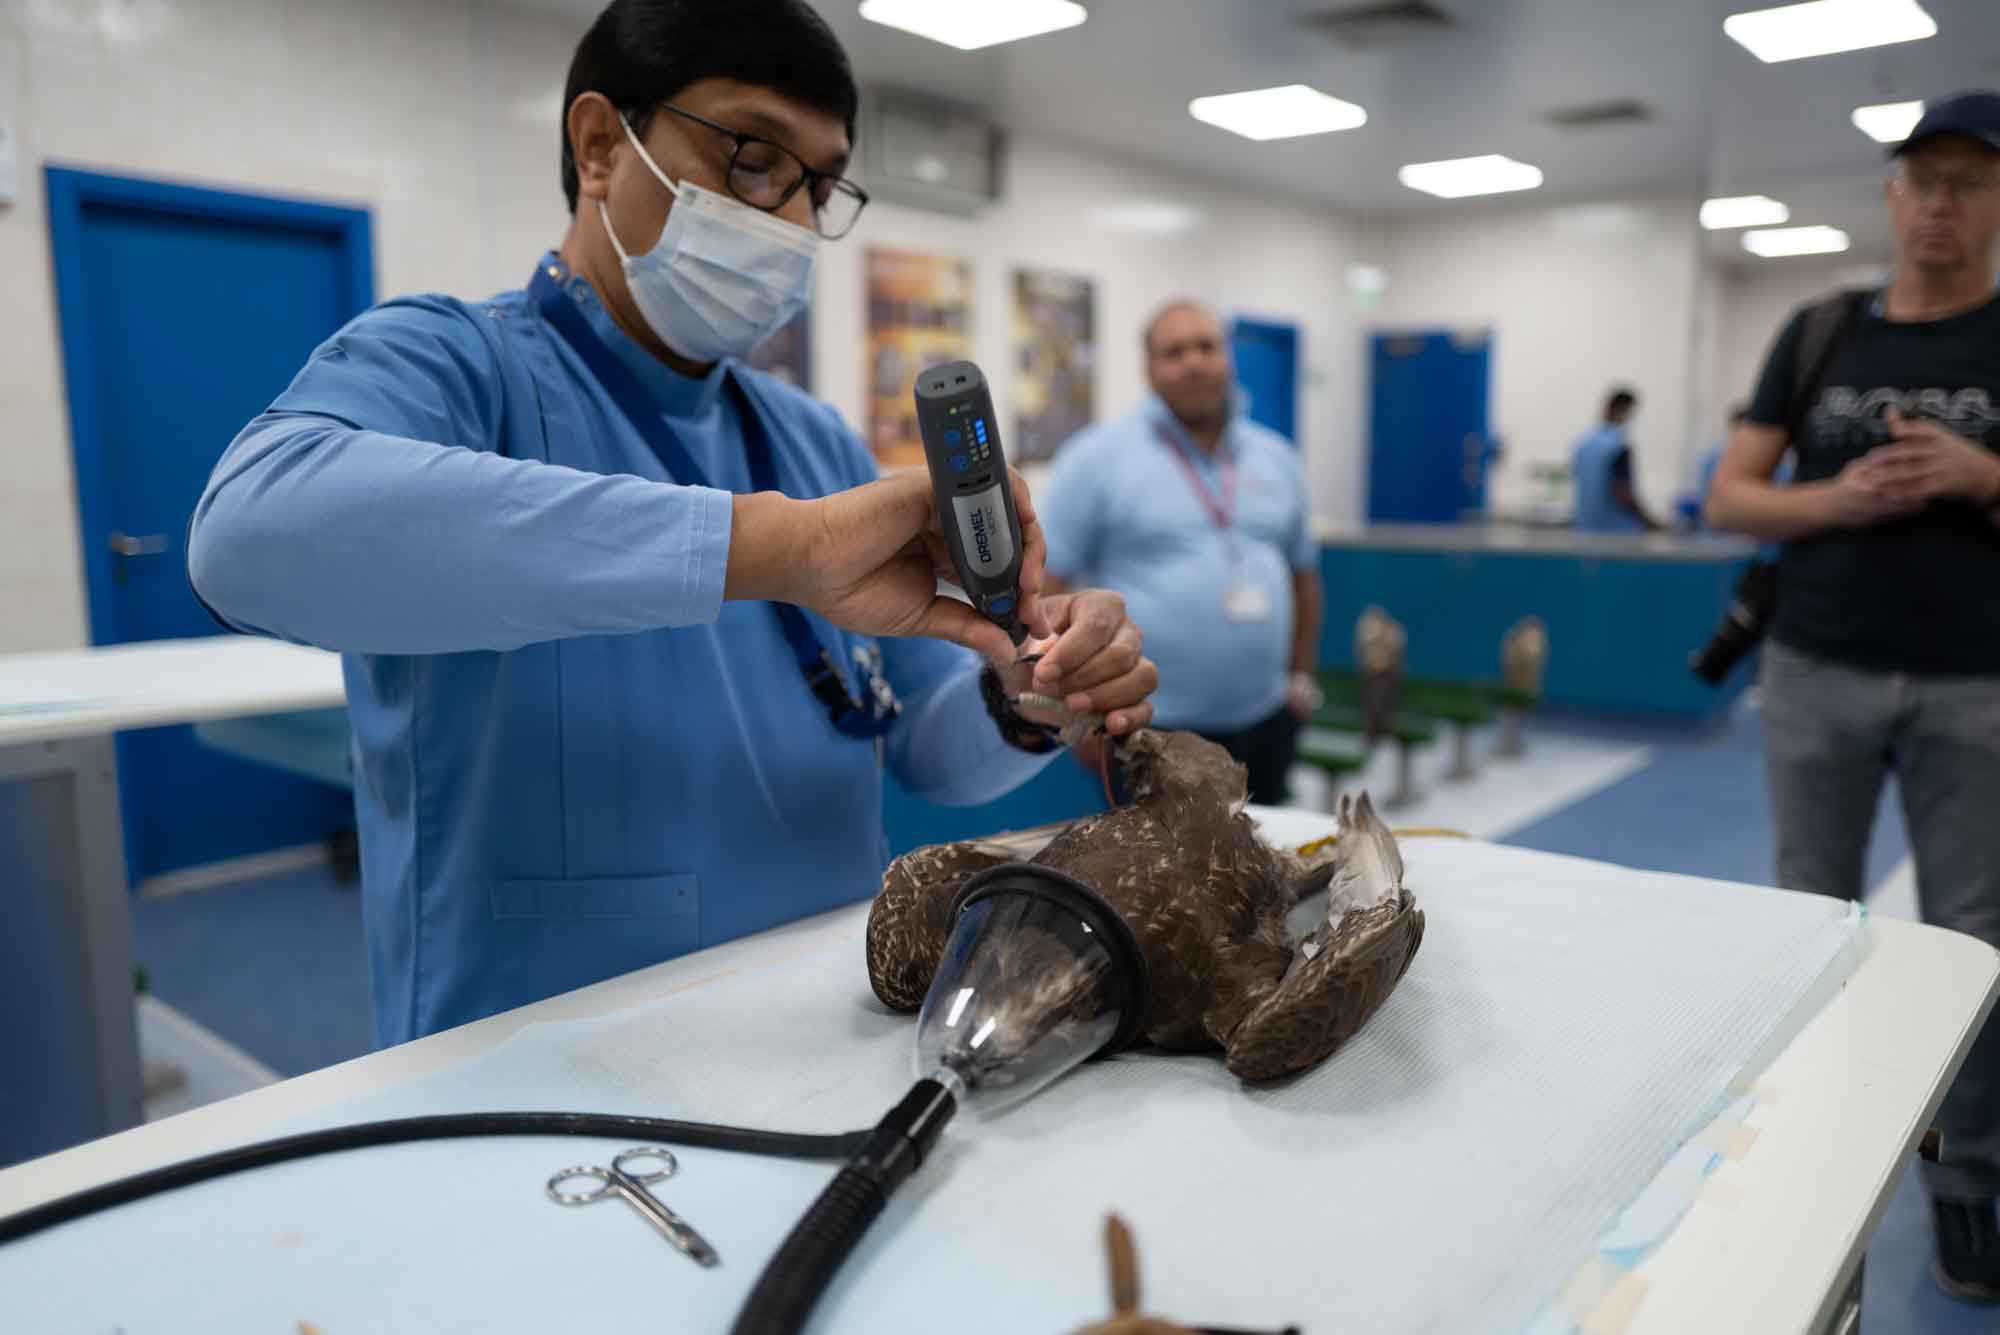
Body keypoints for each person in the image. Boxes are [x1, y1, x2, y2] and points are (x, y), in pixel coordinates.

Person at [185, 0, 1157, 1045]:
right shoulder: (461, 366)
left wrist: (1023, 699)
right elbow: (248, 534)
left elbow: (923, 747)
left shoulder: (808, 440)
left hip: (827, 1027)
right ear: (600, 145)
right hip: (537, 1059)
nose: (786, 218)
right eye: (751, 158)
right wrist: (775, 551)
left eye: (818, 187)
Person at [1705, 89, 2000, 1304]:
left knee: (1972, 945)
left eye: (1966, 182)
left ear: (1993, 201)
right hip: (1815, 672)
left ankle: (1968, 1180)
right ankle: (1803, 1146)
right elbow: (1728, 495)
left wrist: (1981, 472)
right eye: (1919, 180)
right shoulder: (1818, 329)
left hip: (1975, 690)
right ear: (1888, 197)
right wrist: (1842, 500)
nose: (1938, 202)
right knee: (1805, 924)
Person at [1036, 300, 1323, 806]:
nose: (1193, 362)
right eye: (1174, 352)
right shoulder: (1096, 458)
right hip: (1149, 727)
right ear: (1149, 369)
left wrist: (1298, 680)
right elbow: (1045, 588)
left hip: (1267, 720)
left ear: (1228, 357)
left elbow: (1304, 577)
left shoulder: (1276, 457)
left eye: (1207, 347)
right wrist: (1077, 719)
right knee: (1160, 879)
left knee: (1264, 873)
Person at [1571, 386, 1660, 532]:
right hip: (1616, 534)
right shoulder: (1617, 446)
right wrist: (1650, 521)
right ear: (1620, 410)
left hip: (1586, 530)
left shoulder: (1583, 444)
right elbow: (1621, 492)